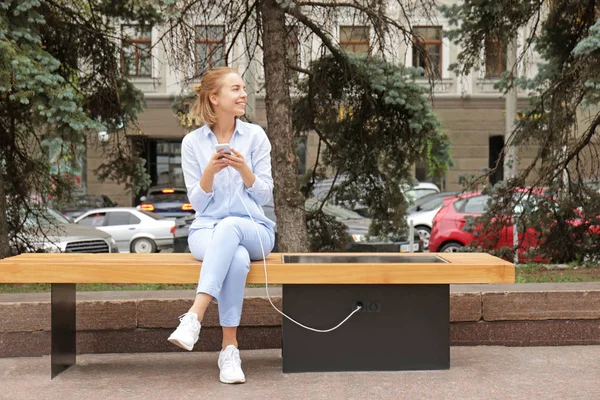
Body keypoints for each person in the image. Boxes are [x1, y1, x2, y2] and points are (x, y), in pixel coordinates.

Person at [167, 67, 276, 384]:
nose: (244, 94)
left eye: (243, 88)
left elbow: (265, 194)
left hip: (254, 229)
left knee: (232, 227)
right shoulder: (192, 143)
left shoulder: (255, 137)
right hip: (206, 232)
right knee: (237, 258)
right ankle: (230, 349)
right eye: (236, 89)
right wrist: (209, 173)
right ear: (214, 98)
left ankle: (194, 316)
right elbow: (198, 205)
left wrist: (244, 169)